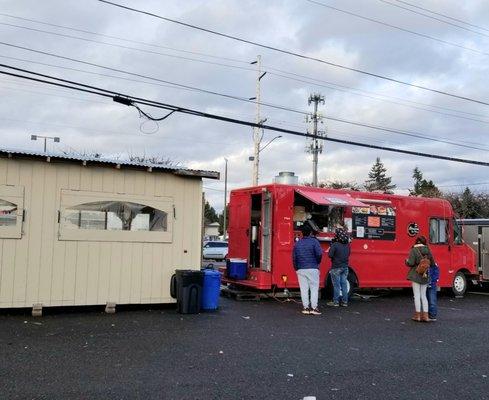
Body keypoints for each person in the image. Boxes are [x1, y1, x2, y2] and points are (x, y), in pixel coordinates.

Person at [292, 223, 323, 315]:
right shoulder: (314, 242)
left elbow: (294, 257)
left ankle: (306, 308)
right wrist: (317, 262)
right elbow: (319, 254)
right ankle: (314, 308)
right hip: (313, 268)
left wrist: (296, 268)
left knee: (304, 289)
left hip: (301, 269)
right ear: (310, 233)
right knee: (314, 288)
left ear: (302, 233)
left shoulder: (298, 243)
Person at [405, 235, 434, 322]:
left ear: (417, 241)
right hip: (425, 275)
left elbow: (411, 263)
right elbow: (432, 263)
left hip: (415, 275)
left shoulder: (414, 250)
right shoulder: (428, 250)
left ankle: (417, 316)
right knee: (423, 295)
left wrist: (406, 261)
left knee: (416, 296)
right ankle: (425, 316)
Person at [327, 227, 351, 307]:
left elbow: (330, 255)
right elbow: (348, 254)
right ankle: (345, 302)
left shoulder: (335, 245)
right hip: (345, 267)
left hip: (336, 267)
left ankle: (336, 302)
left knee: (337, 285)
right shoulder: (347, 245)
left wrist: (331, 246)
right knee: (344, 284)